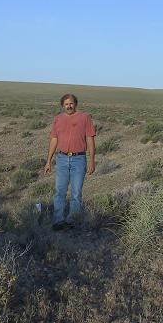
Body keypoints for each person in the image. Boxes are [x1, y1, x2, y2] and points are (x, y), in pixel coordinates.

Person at [43, 93, 96, 230]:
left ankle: (73, 221)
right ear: (62, 105)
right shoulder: (58, 119)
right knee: (60, 191)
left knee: (76, 193)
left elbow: (90, 139)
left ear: (75, 104)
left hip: (79, 159)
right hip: (61, 159)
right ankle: (58, 221)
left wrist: (92, 160)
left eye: (71, 103)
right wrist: (48, 160)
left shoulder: (85, 118)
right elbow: (54, 140)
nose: (69, 106)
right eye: (66, 104)